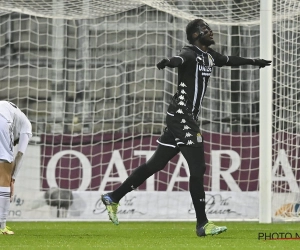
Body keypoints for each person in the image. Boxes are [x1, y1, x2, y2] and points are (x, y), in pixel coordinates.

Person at [101, 19, 271, 237]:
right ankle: (203, 224)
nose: (210, 32)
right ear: (194, 36)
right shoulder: (190, 53)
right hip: (182, 117)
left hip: (180, 117)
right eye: (205, 30)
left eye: (209, 29)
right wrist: (168, 62)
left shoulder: (209, 56)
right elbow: (179, 59)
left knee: (155, 164)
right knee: (198, 169)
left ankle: (113, 197)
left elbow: (229, 60)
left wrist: (254, 61)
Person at [0, 101, 32, 235]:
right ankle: (2, 226)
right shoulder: (26, 127)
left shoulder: (10, 109)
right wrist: (12, 178)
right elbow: (20, 153)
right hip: (1, 120)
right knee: (4, 177)